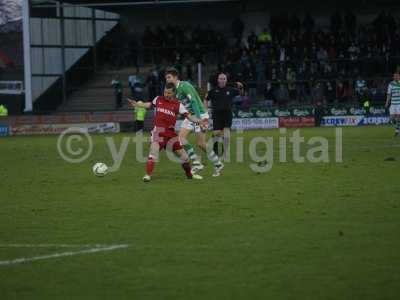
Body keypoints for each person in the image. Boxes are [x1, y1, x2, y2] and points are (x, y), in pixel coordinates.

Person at [127, 83, 205, 182]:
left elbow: (189, 116)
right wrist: (138, 104)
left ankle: (190, 175)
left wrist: (199, 121)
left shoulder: (178, 105)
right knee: (153, 152)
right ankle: (148, 175)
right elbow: (149, 105)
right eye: (165, 92)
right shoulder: (158, 99)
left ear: (174, 93)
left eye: (169, 93)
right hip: (158, 133)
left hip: (171, 135)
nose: (166, 94)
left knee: (185, 158)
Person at [165, 67, 224, 177]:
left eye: (169, 77)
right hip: (190, 117)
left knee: (201, 144)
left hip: (199, 115)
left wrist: (199, 120)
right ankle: (197, 163)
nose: (167, 80)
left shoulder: (185, 86)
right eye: (166, 78)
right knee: (180, 139)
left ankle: (218, 164)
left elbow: (194, 102)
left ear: (175, 77)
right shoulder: (174, 90)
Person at [204, 73, 243, 158]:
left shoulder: (231, 90)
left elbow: (240, 93)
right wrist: (205, 110)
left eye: (224, 79)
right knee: (216, 133)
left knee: (226, 132)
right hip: (217, 115)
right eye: (221, 79)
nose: (222, 80)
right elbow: (206, 99)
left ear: (226, 80)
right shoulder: (213, 91)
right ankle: (215, 148)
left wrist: (241, 87)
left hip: (227, 114)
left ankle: (225, 152)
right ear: (218, 80)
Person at [385, 69, 400, 137]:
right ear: (393, 77)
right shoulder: (390, 84)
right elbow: (389, 94)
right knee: (391, 118)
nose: (396, 77)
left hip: (399, 103)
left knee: (398, 117)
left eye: (397, 76)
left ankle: (397, 131)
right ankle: (397, 128)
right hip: (393, 104)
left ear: (399, 77)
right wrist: (387, 102)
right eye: (395, 76)